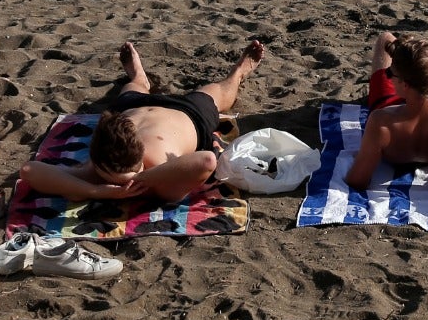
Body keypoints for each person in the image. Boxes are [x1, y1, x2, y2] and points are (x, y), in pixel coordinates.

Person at [20, 39, 264, 203]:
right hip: (186, 115)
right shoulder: (96, 172)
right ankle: (139, 78)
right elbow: (29, 171)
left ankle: (238, 72)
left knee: (220, 91)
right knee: (211, 95)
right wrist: (96, 190)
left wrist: (141, 178)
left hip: (139, 111)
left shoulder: (154, 174)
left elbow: (207, 160)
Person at [345, 32, 428, 193]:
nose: (389, 77)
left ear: (404, 85)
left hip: (391, 105)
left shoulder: (381, 122)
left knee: (386, 37)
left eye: (390, 74)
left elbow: (357, 180)